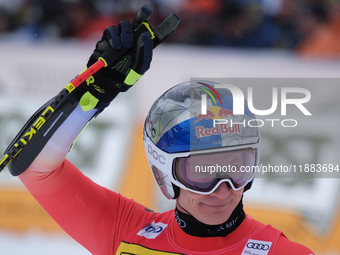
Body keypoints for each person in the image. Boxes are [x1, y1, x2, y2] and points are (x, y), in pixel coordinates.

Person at [2, 5, 314, 255]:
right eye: (203, 172)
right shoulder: (126, 232)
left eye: (237, 169)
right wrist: (93, 91)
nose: (222, 189)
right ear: (166, 172)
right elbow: (33, 164)